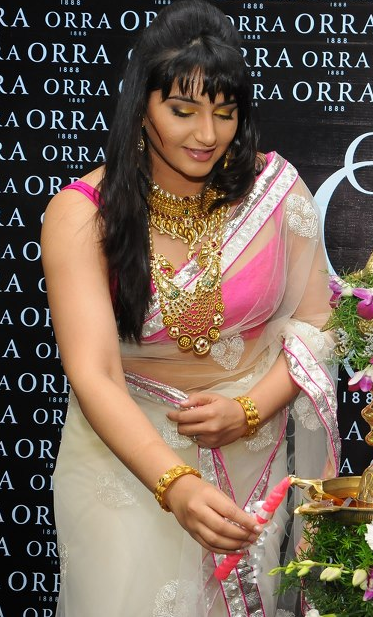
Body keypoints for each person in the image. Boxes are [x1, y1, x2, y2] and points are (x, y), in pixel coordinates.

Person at [41, 1, 340, 615]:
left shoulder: (275, 192)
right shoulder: (83, 214)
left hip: (248, 459)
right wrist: (174, 484)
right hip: (123, 462)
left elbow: (316, 327)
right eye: (183, 111)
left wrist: (249, 409)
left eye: (225, 113)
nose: (207, 135)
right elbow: (94, 374)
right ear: (141, 108)